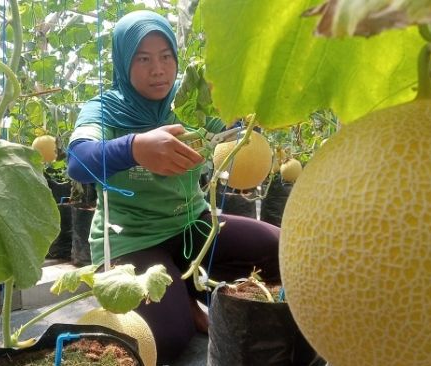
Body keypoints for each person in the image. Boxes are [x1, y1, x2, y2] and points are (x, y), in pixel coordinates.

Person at [66, 10, 280, 365]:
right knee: (166, 338)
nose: (158, 69)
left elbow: (230, 126)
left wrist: (246, 105)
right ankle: (183, 304)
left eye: (166, 57)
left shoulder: (187, 104)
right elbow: (79, 161)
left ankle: (188, 292)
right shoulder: (105, 109)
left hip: (190, 225)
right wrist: (134, 147)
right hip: (132, 239)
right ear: (123, 61)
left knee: (277, 248)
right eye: (144, 58)